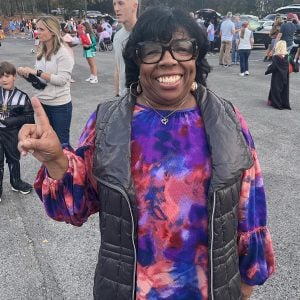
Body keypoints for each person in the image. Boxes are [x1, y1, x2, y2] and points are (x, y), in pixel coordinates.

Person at [18, 7, 275, 300]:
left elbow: (250, 203)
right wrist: (56, 160)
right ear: (137, 60)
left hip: (209, 290)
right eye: (153, 51)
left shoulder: (226, 117)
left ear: (196, 56)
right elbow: (75, 208)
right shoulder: (108, 121)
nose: (168, 60)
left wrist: (249, 277)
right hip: (130, 291)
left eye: (182, 48)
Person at [17, 16, 74, 145]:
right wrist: (27, 75)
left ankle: (67, 166)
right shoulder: (41, 53)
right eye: (37, 29)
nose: (37, 32)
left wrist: (36, 72)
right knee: (47, 142)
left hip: (59, 106)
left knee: (61, 144)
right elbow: (40, 83)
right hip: (42, 104)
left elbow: (62, 80)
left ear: (52, 31)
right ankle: (47, 166)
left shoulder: (63, 53)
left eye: (41, 29)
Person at [0, 62, 34, 201]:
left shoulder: (23, 96)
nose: (3, 79)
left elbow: (30, 118)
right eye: (1, 76)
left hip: (12, 133)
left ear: (14, 77)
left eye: (7, 76)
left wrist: (12, 121)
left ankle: (16, 182)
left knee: (14, 159)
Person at [113, 0, 138, 97]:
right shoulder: (117, 36)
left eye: (121, 3)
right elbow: (117, 68)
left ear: (134, 6)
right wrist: (117, 95)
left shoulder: (146, 34)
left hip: (144, 100)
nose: (116, 9)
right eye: (114, 4)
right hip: (123, 97)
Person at [265, 40, 290, 110]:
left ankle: (277, 104)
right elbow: (293, 66)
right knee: (284, 90)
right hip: (285, 76)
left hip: (277, 76)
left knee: (275, 89)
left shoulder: (276, 57)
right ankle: (284, 103)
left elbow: (274, 67)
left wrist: (267, 70)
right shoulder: (287, 56)